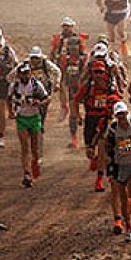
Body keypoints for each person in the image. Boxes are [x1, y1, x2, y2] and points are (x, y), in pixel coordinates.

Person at [9, 46, 62, 165]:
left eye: (37, 58)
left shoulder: (45, 64)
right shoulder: (24, 65)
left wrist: (57, 83)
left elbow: (57, 71)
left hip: (41, 95)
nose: (35, 61)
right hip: (26, 97)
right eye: (33, 58)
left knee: (40, 124)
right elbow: (11, 75)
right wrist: (15, 86)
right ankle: (32, 149)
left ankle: (38, 151)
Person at [75, 60, 121, 192]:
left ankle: (99, 179)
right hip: (91, 118)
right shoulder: (87, 86)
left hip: (105, 118)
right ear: (92, 73)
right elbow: (76, 100)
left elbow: (118, 100)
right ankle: (94, 158)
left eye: (101, 72)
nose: (98, 74)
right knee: (89, 150)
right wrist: (78, 115)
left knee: (102, 148)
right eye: (96, 72)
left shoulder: (110, 86)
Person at [106, 101, 131, 240]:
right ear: (116, 116)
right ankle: (128, 226)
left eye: (123, 114)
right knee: (123, 198)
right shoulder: (113, 128)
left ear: (127, 113)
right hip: (119, 166)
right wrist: (110, 171)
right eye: (119, 115)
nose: (121, 118)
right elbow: (108, 149)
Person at [7, 63, 50, 187]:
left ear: (30, 73)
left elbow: (47, 98)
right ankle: (26, 174)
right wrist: (10, 112)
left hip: (35, 118)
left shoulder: (37, 85)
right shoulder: (14, 86)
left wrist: (39, 103)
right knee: (25, 148)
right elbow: (8, 99)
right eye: (22, 73)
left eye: (26, 73)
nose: (24, 76)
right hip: (21, 118)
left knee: (35, 149)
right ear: (18, 74)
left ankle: (35, 163)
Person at [50, 17, 88, 149]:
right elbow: (63, 75)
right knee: (73, 113)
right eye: (70, 48)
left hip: (86, 89)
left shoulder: (86, 61)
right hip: (74, 89)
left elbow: (88, 74)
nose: (72, 50)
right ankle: (74, 138)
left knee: (88, 112)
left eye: (74, 48)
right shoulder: (65, 60)